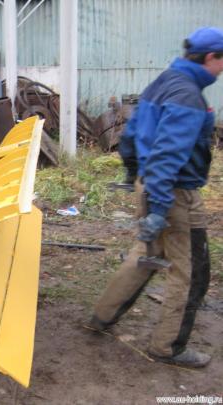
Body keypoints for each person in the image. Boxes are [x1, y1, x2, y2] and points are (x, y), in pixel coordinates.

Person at [89, 27, 223, 368]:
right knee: (188, 272)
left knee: (146, 252)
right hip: (174, 193)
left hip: (152, 185)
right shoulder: (189, 96)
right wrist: (160, 207)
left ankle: (103, 316)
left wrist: (135, 176)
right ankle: (168, 347)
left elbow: (131, 133)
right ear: (211, 58)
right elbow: (167, 154)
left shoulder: (165, 80)